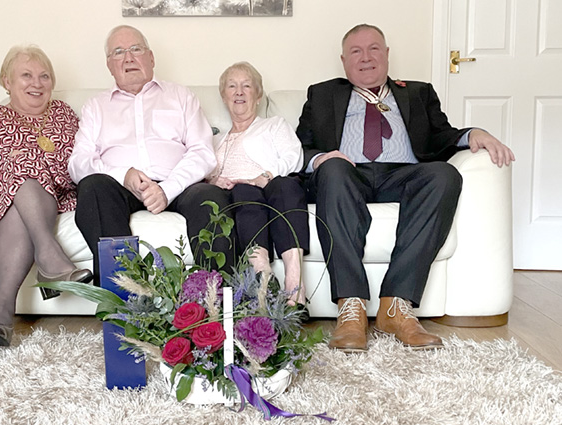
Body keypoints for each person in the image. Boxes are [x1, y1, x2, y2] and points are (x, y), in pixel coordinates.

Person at [296, 24, 514, 352]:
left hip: (403, 176)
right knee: (333, 170)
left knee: (444, 175)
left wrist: (473, 134)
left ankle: (396, 306)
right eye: (356, 51)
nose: (366, 57)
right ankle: (350, 308)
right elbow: (300, 147)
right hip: (346, 175)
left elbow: (442, 136)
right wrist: (323, 158)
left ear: (386, 55)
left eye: (373, 49)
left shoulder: (417, 92)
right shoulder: (323, 93)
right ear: (343, 60)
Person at [0, 45, 92, 347]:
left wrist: (29, 162)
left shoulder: (64, 116)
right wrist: (8, 160)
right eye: (26, 75)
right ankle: (50, 258)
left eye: (44, 76)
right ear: (7, 82)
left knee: (20, 198)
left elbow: (75, 165)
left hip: (48, 193)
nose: (36, 83)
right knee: (21, 168)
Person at [68, 25, 234, 281]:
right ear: (109, 65)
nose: (128, 57)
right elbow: (78, 164)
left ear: (151, 57)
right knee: (92, 187)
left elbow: (202, 151)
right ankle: (126, 300)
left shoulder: (181, 96)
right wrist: (123, 175)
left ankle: (216, 302)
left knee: (210, 197)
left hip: (178, 185)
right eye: (119, 52)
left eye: (136, 49)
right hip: (119, 188)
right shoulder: (96, 107)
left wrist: (167, 190)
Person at [206, 61, 308, 306]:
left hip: (271, 187)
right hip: (235, 195)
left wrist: (265, 176)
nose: (239, 92)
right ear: (224, 96)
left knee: (286, 186)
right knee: (243, 191)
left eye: (246, 86)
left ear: (258, 95)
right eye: (232, 86)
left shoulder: (273, 125)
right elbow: (200, 171)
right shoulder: (213, 140)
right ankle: (264, 276)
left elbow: (295, 157)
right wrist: (213, 179)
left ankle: (295, 287)